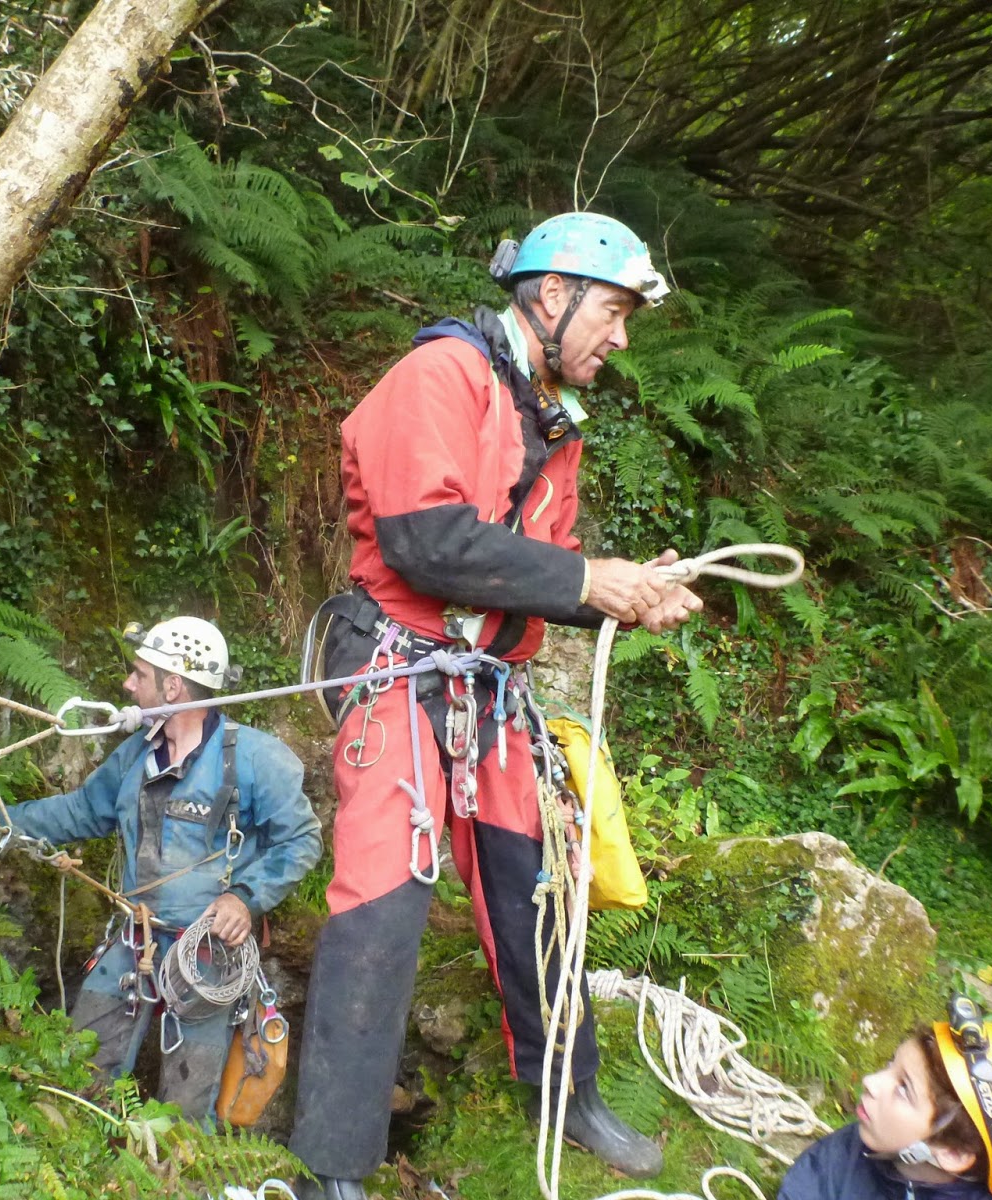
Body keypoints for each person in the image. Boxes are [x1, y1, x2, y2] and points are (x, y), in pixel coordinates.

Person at [289, 212, 704, 1199]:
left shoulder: (551, 416)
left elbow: (529, 565)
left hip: (486, 685)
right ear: (550, 296)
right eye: (612, 312)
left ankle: (568, 1090)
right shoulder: (438, 378)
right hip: (399, 666)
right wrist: (585, 578)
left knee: (539, 889)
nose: (621, 338)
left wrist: (619, 589)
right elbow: (424, 540)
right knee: (382, 905)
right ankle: (333, 1169)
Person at [0, 616, 322, 1118]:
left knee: (186, 1108)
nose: (126, 684)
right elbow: (79, 812)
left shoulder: (254, 759)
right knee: (78, 1071)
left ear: (173, 685)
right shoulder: (134, 756)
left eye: (138, 674)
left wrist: (245, 898)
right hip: (132, 940)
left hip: (206, 955)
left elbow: (301, 839)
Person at [778, 996, 992, 1199]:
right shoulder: (838, 1162)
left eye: (904, 1089)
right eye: (889, 1065)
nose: (871, 1082)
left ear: (953, 1153)